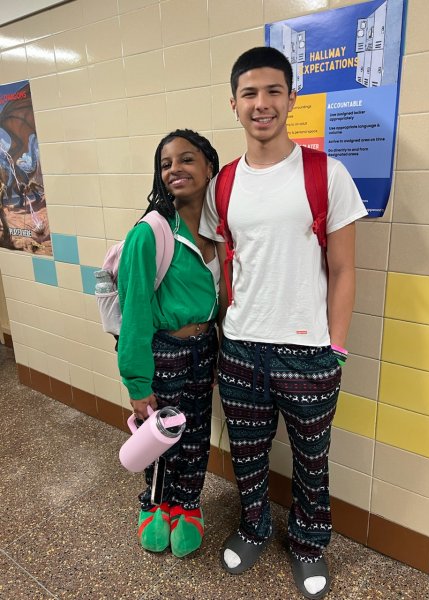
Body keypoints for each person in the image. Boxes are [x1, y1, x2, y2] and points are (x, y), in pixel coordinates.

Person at [199, 47, 368, 599]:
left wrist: (335, 350)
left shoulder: (326, 174)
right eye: (249, 93)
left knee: (312, 460)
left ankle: (308, 543)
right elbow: (220, 261)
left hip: (310, 354)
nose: (262, 103)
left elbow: (343, 270)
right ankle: (254, 527)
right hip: (241, 348)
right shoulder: (224, 184)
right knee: (247, 454)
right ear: (234, 103)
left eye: (273, 91)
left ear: (292, 99)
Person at [117, 129, 220, 559]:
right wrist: (138, 383)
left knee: (195, 436)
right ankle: (156, 504)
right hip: (165, 352)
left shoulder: (221, 231)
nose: (175, 169)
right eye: (165, 164)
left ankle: (188, 505)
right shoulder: (151, 232)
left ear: (209, 167)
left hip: (205, 350)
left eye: (186, 159)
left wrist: (220, 355)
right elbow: (134, 313)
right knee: (162, 438)